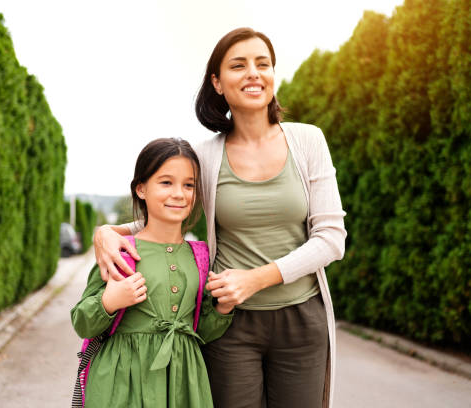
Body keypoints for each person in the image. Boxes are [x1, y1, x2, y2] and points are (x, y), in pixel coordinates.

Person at [93, 27, 346, 408]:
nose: (253, 74)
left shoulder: (308, 141)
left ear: (273, 75)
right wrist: (107, 232)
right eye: (238, 65)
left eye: (263, 64)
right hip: (230, 322)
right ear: (217, 82)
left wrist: (256, 279)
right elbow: (169, 211)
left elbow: (331, 237)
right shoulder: (206, 156)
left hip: (301, 320)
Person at [71, 138, 234, 408]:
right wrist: (109, 302)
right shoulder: (120, 252)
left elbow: (200, 330)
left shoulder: (200, 255)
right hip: (122, 385)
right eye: (166, 182)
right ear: (141, 189)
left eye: (189, 184)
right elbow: (82, 322)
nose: (179, 194)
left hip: (184, 384)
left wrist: (222, 309)